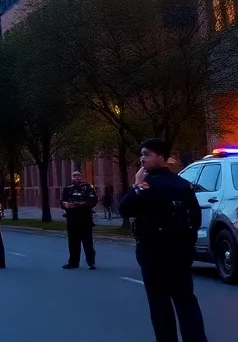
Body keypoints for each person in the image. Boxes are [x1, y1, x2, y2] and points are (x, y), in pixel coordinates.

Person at [119, 139, 208, 342]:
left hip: (153, 251)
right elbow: (195, 218)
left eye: (147, 154)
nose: (142, 159)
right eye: (142, 154)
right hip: (180, 251)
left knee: (160, 304)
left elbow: (124, 209)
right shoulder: (182, 184)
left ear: (162, 157)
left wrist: (136, 185)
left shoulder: (147, 185)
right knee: (186, 301)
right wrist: (188, 245)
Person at [60, 169, 97, 270]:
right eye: (75, 176)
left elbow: (93, 200)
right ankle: (73, 262)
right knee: (73, 242)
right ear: (72, 177)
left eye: (79, 176)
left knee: (88, 242)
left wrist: (79, 204)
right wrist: (65, 205)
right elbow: (63, 201)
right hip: (72, 219)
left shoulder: (88, 187)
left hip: (85, 219)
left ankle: (91, 262)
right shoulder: (67, 189)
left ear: (81, 177)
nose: (77, 178)